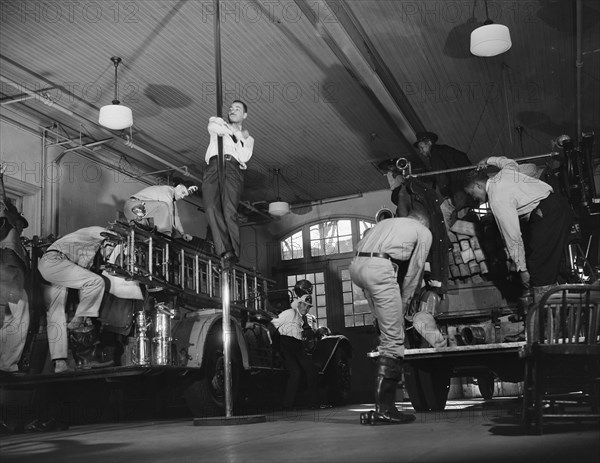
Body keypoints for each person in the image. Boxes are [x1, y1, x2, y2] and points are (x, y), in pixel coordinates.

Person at [350, 211, 432, 425]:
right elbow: (415, 270)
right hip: (379, 269)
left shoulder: (386, 224)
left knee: (386, 331)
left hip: (356, 268)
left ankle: (381, 408)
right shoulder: (423, 231)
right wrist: (404, 302)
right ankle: (384, 410)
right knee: (394, 339)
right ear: (422, 222)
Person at [463, 156, 574, 301]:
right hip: (561, 206)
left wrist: (522, 269)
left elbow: (512, 235)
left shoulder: (497, 198)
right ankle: (565, 303)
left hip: (546, 214)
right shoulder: (504, 174)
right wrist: (489, 160)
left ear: (478, 185)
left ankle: (546, 313)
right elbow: (509, 162)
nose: (474, 199)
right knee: (553, 263)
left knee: (538, 269)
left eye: (472, 194)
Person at [37, 226, 116, 373]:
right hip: (55, 260)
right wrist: (81, 317)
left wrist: (86, 316)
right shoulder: (97, 232)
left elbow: (82, 283)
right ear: (108, 242)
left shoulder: (88, 251)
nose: (108, 256)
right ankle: (78, 322)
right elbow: (107, 233)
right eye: (110, 250)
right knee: (97, 281)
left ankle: (60, 364)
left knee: (56, 314)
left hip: (51, 265)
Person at [202, 100, 254, 263]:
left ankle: (233, 253)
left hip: (233, 168)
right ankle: (225, 250)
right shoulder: (217, 121)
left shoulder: (249, 138)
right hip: (213, 166)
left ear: (244, 115)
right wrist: (237, 135)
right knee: (210, 207)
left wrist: (234, 134)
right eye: (231, 108)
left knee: (229, 211)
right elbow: (215, 128)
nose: (233, 110)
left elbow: (244, 155)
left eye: (237, 109)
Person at [269, 293, 319, 410]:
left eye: (308, 307)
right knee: (295, 372)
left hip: (297, 345)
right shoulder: (289, 313)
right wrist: (275, 347)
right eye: (304, 305)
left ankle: (312, 402)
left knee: (311, 369)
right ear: (299, 303)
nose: (306, 309)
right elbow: (272, 326)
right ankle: (287, 404)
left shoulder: (302, 318)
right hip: (285, 344)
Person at [0, 213, 30, 373]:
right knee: (15, 320)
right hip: (8, 279)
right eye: (19, 225)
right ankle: (7, 365)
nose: (20, 229)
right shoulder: (8, 232)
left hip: (12, 280)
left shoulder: (15, 241)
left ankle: (7, 364)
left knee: (11, 321)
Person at [124, 183, 197, 240]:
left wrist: (182, 233)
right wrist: (167, 236)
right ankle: (164, 237)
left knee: (144, 235)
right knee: (163, 207)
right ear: (178, 187)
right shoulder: (167, 191)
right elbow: (169, 212)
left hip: (137, 213)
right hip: (133, 205)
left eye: (185, 195)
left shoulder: (172, 201)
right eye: (183, 192)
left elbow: (175, 217)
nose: (182, 196)